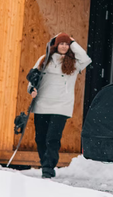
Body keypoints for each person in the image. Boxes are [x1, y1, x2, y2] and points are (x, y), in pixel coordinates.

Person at [28, 33, 92, 178]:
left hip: (61, 105)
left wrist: (73, 41)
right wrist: (31, 89)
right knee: (40, 138)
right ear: (55, 45)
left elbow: (86, 59)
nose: (64, 46)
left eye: (66, 44)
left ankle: (48, 168)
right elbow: (33, 78)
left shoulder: (74, 63)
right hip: (42, 103)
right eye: (61, 43)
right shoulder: (44, 60)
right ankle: (45, 163)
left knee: (52, 138)